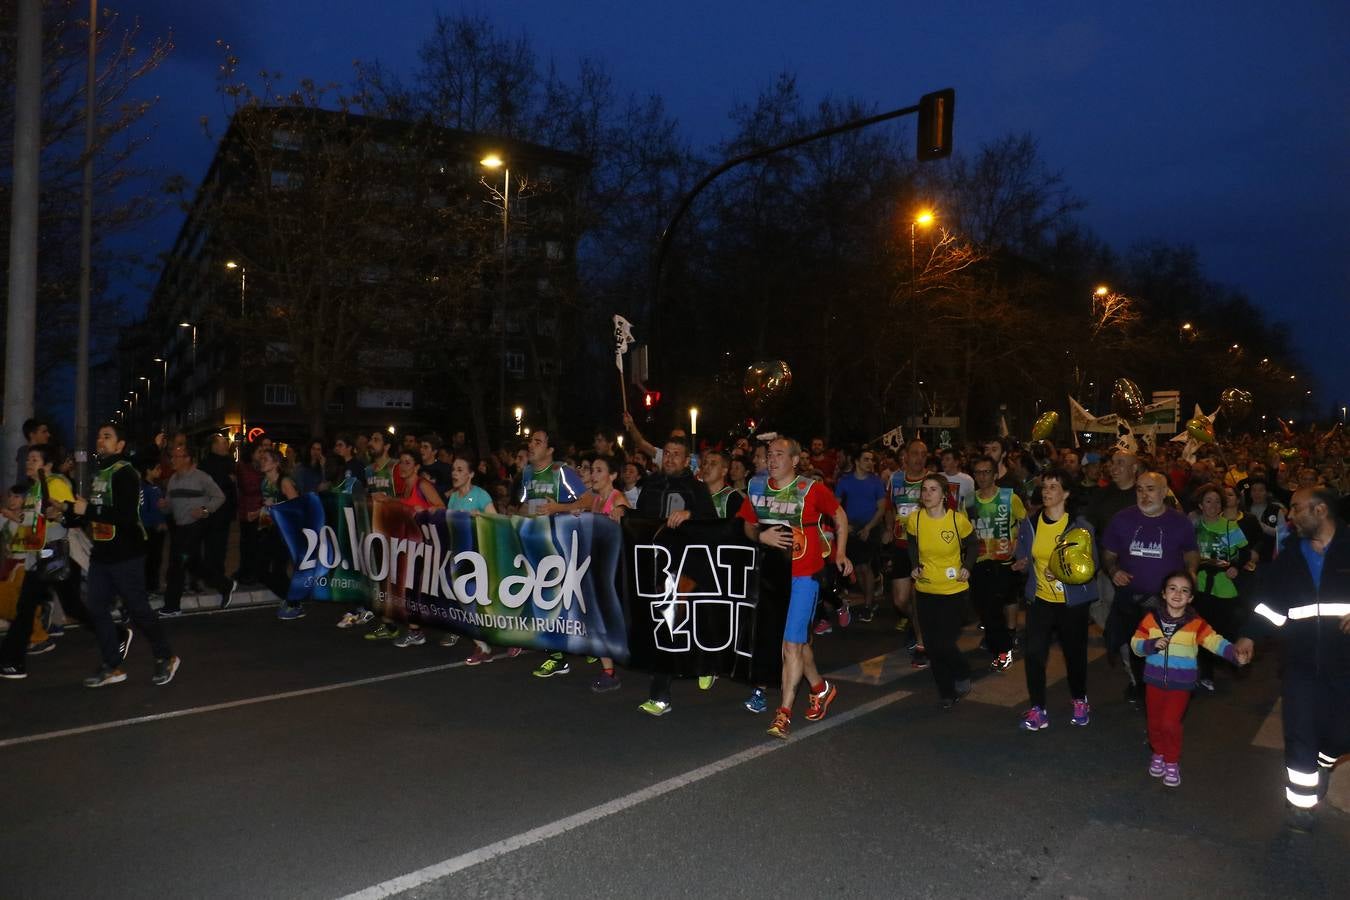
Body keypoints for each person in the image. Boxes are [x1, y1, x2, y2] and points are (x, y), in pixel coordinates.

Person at [1236, 487, 1350, 833]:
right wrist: (1249, 636)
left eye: (1297, 508)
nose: (1290, 516)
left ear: (1320, 510)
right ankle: (1302, 805)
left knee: (1343, 734)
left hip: (1345, 665)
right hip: (1300, 664)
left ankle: (1324, 761)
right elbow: (1269, 604)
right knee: (1299, 733)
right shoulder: (1288, 558)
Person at [736, 437, 851, 738]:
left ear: (795, 460)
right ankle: (821, 689)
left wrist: (839, 553)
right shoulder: (757, 487)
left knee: (791, 645)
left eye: (779, 454)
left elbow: (839, 514)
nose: (772, 459)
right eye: (769, 454)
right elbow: (746, 524)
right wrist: (761, 537)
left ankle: (783, 713)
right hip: (771, 577)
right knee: (797, 644)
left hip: (804, 577)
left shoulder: (811, 489)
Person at [64, 423, 180, 687]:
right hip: (102, 554)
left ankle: (166, 656)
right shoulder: (100, 473)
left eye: (107, 437)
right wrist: (68, 511)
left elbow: (125, 516)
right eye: (99, 436)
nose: (100, 440)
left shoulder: (125, 473)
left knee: (138, 609)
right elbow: (93, 510)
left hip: (127, 554)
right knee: (95, 607)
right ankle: (112, 666)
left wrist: (87, 511)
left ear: (120, 446)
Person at [1131, 570, 1243, 787]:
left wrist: (1234, 653)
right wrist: (1150, 645)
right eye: (1172, 588)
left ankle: (1172, 761)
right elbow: (1136, 644)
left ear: (1191, 598)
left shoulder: (1195, 623)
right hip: (1154, 682)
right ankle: (1159, 753)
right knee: (1154, 723)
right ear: (1163, 593)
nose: (1177, 594)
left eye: (1184, 590)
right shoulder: (1150, 619)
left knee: (1170, 723)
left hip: (1180, 685)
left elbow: (1214, 640)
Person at [1102, 471, 1200, 707]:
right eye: (1139, 489)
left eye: (1150, 489)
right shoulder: (1122, 519)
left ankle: (1169, 692)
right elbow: (1108, 554)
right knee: (1138, 649)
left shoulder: (1180, 522)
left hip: (1166, 602)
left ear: (1165, 492)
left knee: (1169, 650)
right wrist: (1114, 570)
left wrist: (1192, 573)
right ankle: (1142, 688)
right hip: (1131, 599)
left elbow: (1191, 551)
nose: (1144, 495)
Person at [1013, 468, 1098, 730]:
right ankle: (1038, 709)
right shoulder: (1031, 523)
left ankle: (1079, 699)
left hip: (1071, 603)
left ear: (1066, 493)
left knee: (1074, 654)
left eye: (1053, 487)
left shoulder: (1080, 528)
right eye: (1045, 486)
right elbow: (1023, 557)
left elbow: (1091, 566)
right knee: (1034, 654)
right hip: (1040, 600)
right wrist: (1022, 563)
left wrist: (1063, 571)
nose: (1046, 491)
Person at [0, 445, 80, 676]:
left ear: (47, 465)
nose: (28, 463)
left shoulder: (56, 483)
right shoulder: (35, 488)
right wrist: (14, 516)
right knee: (26, 608)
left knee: (72, 606)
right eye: (27, 459)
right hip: (36, 558)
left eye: (33, 459)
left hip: (52, 556)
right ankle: (12, 659)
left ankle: (113, 634)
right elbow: (32, 521)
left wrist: (60, 513)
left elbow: (69, 514)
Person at [906, 473, 977, 709]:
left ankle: (962, 670)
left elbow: (974, 544)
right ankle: (947, 692)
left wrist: (967, 567)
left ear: (944, 495)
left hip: (954, 591)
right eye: (924, 489)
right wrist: (914, 566)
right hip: (926, 589)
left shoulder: (957, 521)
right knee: (931, 644)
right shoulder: (914, 520)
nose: (927, 494)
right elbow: (912, 543)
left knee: (944, 643)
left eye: (933, 489)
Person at [159, 443, 235, 617]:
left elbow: (219, 497)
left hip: (196, 526)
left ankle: (172, 606)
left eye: (177, 456)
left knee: (177, 564)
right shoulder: (173, 480)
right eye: (172, 456)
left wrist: (204, 510)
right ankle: (225, 585)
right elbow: (170, 507)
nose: (173, 460)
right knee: (194, 565)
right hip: (180, 528)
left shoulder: (201, 477)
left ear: (187, 459)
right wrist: (164, 506)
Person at [968, 455, 1027, 671]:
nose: (982, 476)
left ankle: (1003, 649)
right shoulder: (969, 501)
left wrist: (1018, 545)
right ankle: (999, 643)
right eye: (978, 472)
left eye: (986, 472)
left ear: (995, 475)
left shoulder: (1009, 497)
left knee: (994, 606)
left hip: (1004, 563)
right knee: (983, 607)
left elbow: (1025, 522)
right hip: (979, 561)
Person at [1191, 483, 1251, 690]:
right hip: (1200, 586)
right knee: (1203, 630)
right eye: (1208, 501)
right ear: (1200, 505)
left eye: (1217, 501)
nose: (1213, 505)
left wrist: (1235, 566)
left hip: (1225, 587)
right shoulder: (1195, 527)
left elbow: (1245, 551)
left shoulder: (1230, 526)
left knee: (1227, 629)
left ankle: (1234, 661)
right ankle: (1206, 673)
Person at [885, 439, 934, 668]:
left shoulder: (932, 481)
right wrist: (888, 529)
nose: (919, 458)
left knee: (917, 597)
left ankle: (922, 646)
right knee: (900, 600)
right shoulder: (895, 479)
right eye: (915, 453)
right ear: (905, 455)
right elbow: (889, 508)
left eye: (924, 454)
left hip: (924, 548)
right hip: (900, 546)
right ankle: (916, 624)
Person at [835, 447, 886, 625]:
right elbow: (835, 506)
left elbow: (882, 508)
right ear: (856, 461)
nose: (870, 463)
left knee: (865, 566)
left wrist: (868, 527)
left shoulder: (876, 481)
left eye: (872, 460)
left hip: (871, 528)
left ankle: (867, 605)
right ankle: (869, 598)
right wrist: (844, 524)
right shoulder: (845, 481)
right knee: (856, 568)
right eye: (866, 459)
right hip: (851, 529)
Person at [254, 448, 302, 619]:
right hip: (270, 529)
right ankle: (291, 600)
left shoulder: (285, 482)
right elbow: (268, 505)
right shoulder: (265, 482)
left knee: (278, 570)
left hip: (285, 532)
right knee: (262, 570)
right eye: (261, 459)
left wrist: (276, 509)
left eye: (266, 459)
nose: (262, 461)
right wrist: (259, 514)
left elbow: (297, 507)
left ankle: (294, 603)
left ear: (276, 463)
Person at [199, 433, 237, 579]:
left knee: (221, 544)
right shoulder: (207, 463)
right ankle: (211, 573)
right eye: (222, 442)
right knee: (212, 544)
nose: (226, 444)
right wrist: (227, 480)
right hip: (213, 510)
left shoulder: (228, 461)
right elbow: (210, 485)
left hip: (226, 510)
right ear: (214, 446)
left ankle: (218, 572)